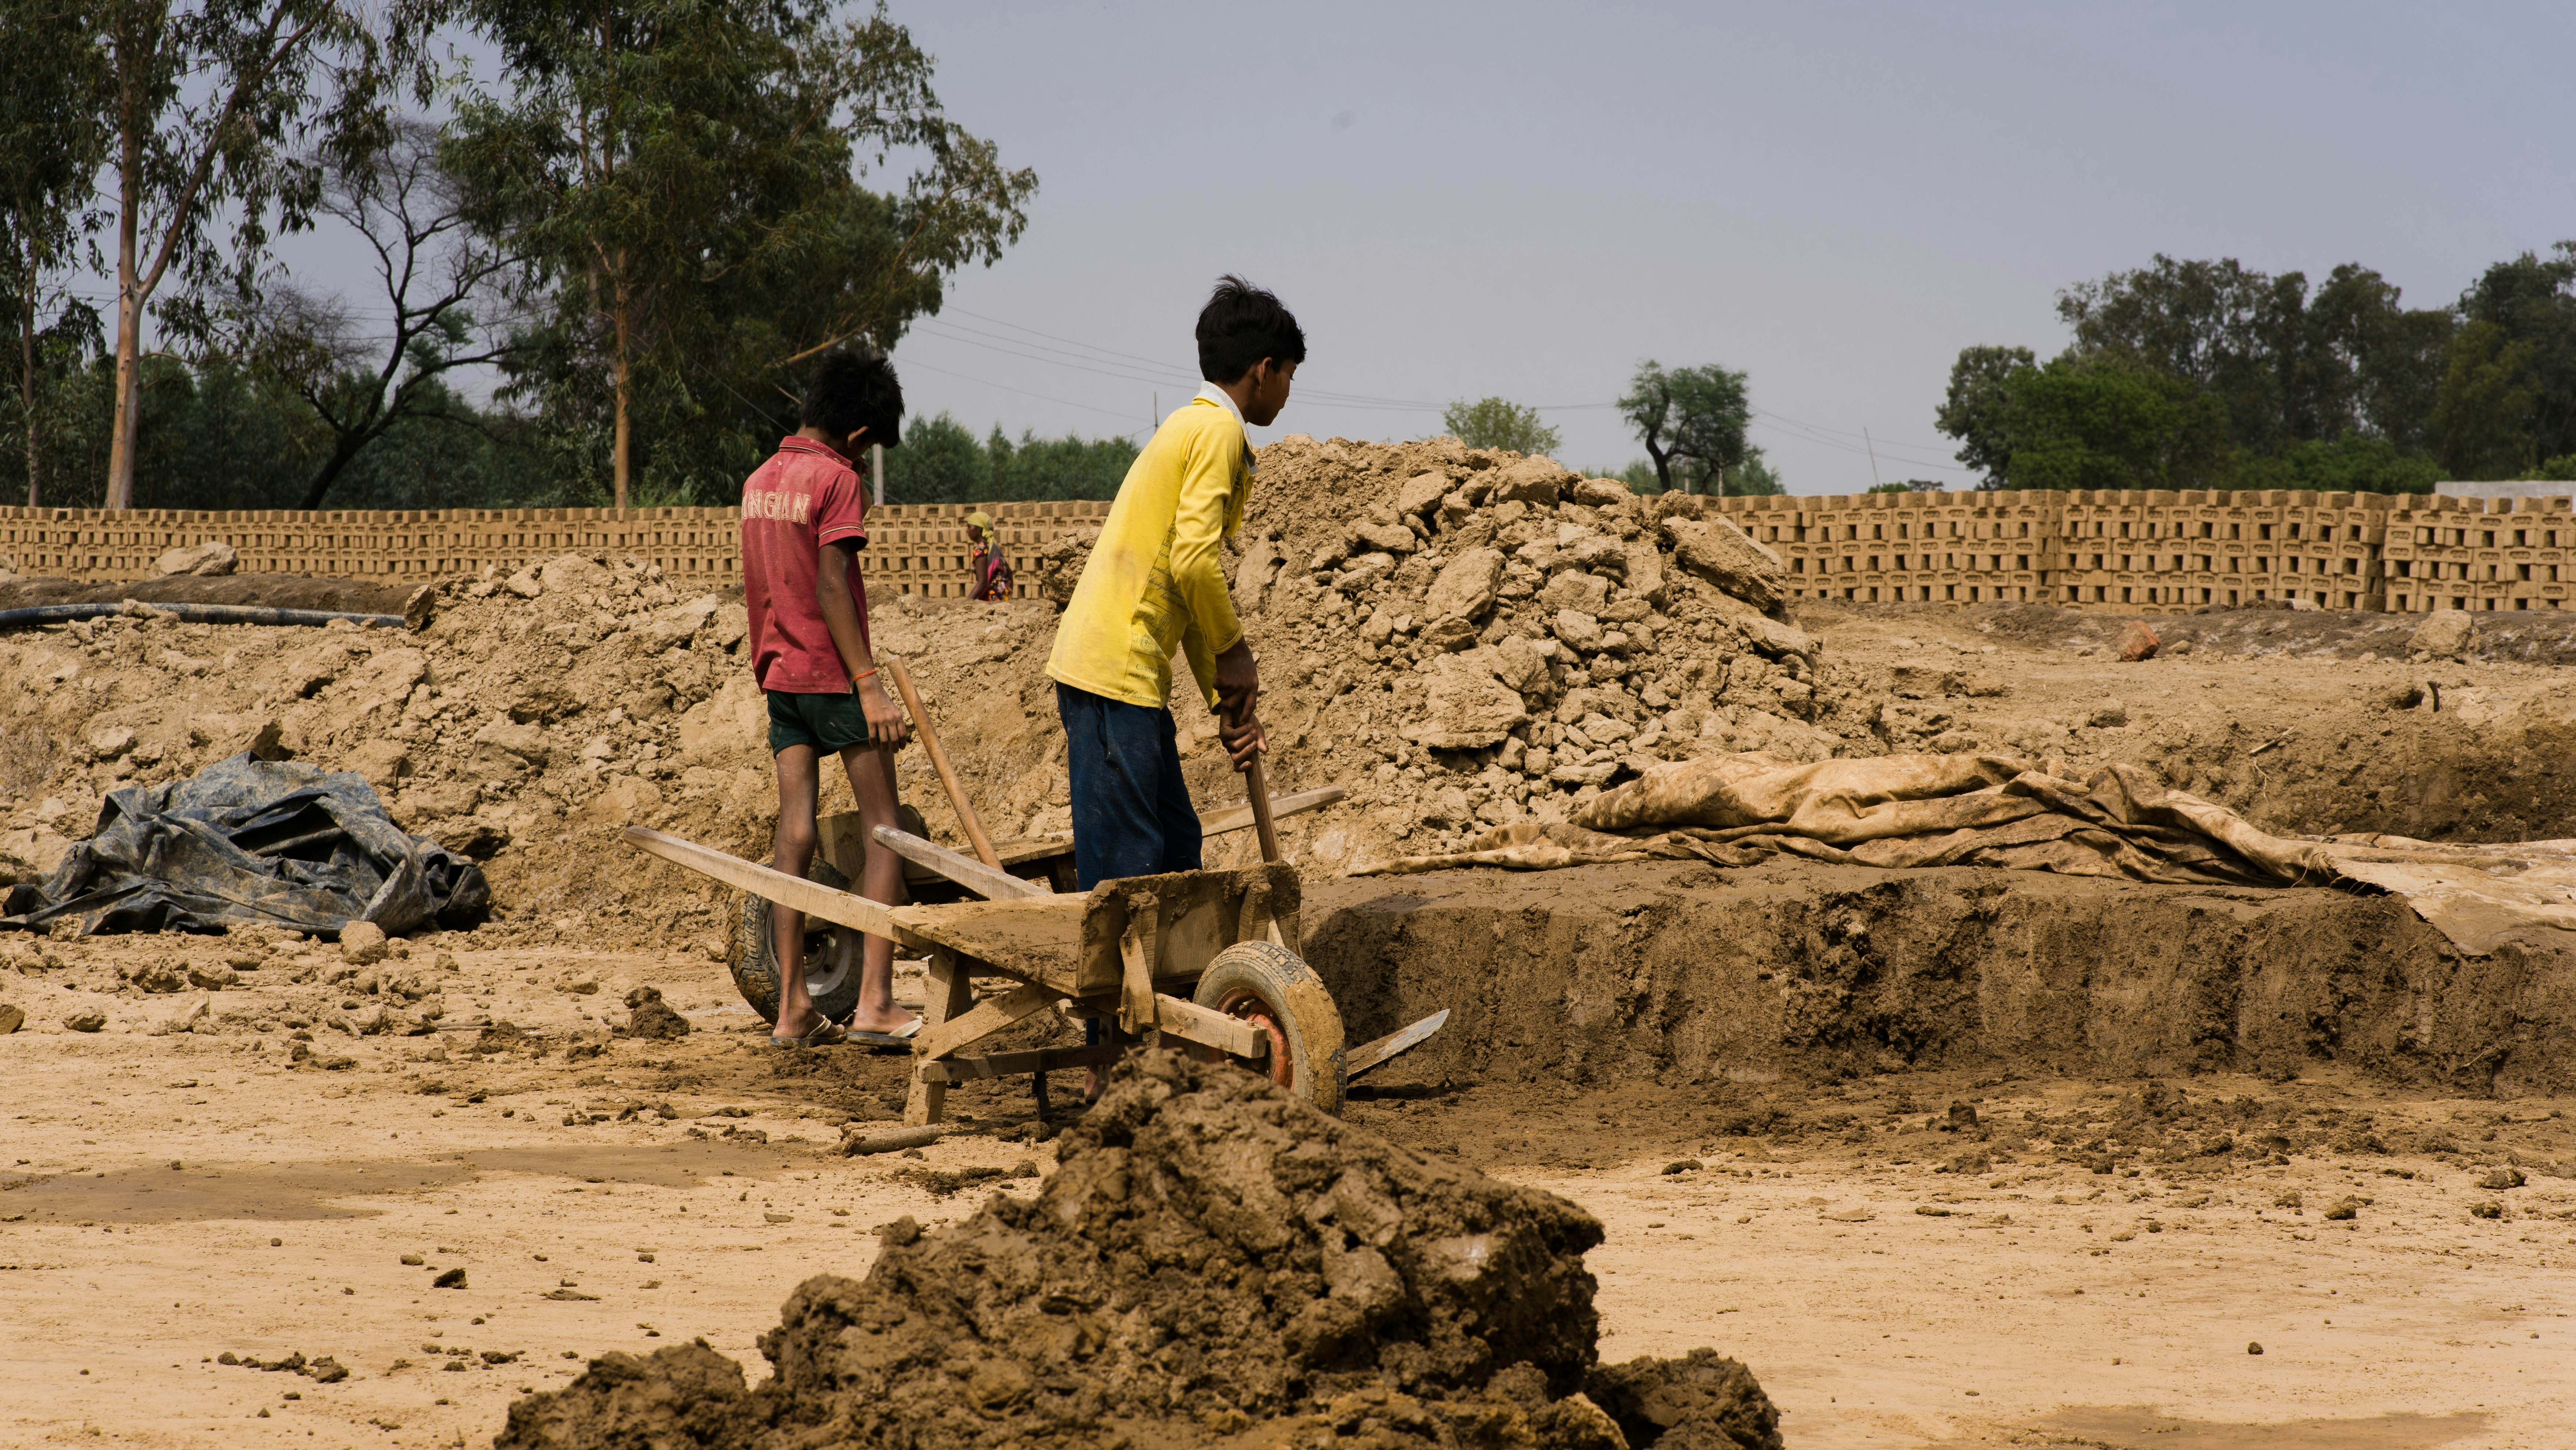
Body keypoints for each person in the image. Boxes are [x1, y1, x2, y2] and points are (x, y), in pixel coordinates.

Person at [1045, 275, 1301, 893]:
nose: (1290, 390)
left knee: (1177, 846)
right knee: (1129, 870)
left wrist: (1224, 699)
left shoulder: (1193, 426)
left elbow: (1185, 591)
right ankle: (1123, 991)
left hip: (1130, 674)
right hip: (1111, 670)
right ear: (1263, 370)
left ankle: (1176, 984)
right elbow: (1193, 562)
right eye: (1291, 374)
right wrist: (1234, 652)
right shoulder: (1216, 431)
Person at [738, 349, 921, 1048]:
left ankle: (792, 1010)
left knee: (796, 835)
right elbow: (829, 585)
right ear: (857, 435)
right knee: (886, 830)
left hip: (780, 679)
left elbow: (765, 584)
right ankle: (875, 1002)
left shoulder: (760, 481)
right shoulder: (837, 480)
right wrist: (867, 683)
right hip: (834, 679)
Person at [966, 511, 1013, 601]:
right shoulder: (994, 547)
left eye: (969, 527)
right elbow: (1009, 573)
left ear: (979, 529)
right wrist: (1009, 591)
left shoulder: (981, 550)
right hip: (1005, 597)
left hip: (992, 599)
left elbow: (983, 582)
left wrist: (966, 602)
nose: (967, 530)